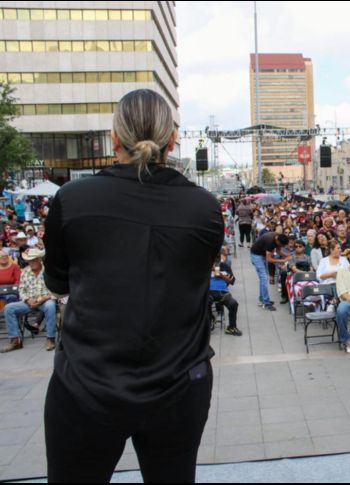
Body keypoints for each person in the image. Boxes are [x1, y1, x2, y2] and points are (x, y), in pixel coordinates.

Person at [41, 89, 224, 482]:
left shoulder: (72, 199)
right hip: (179, 386)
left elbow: (56, 283)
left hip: (85, 385)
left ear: (114, 138)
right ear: (172, 140)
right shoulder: (205, 208)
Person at [1, 249, 57, 353]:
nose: (32, 262)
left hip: (45, 300)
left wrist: (44, 298)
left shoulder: (49, 271)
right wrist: (27, 299)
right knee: (8, 308)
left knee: (50, 306)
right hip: (29, 302)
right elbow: (21, 290)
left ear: (39, 259)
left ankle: (50, 338)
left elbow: (56, 290)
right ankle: (15, 340)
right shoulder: (25, 272)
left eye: (34, 260)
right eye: (30, 260)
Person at [251, 232, 290, 311]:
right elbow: (269, 259)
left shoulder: (278, 238)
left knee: (262, 278)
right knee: (264, 278)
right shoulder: (270, 242)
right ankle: (266, 303)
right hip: (256, 256)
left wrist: (288, 256)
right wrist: (283, 260)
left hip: (261, 254)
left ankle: (263, 298)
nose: (282, 247)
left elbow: (279, 251)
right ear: (278, 241)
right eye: (281, 245)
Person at [209, 254, 241, 336]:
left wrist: (221, 275)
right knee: (204, 302)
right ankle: (210, 319)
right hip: (209, 292)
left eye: (216, 260)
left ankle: (231, 327)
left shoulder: (224, 266)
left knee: (233, 304)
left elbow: (232, 281)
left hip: (222, 292)